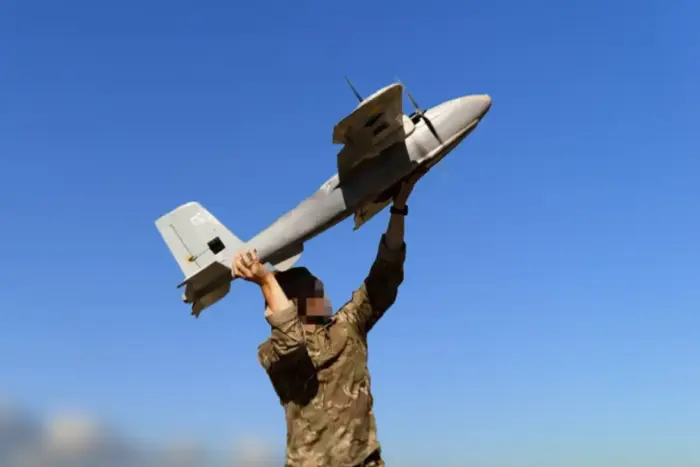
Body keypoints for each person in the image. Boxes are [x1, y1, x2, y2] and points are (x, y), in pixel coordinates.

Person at [232, 174, 421, 467]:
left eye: (320, 290)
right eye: (313, 292)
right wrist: (267, 281)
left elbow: (386, 274)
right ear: (293, 302)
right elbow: (291, 338)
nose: (324, 297)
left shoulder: (347, 326)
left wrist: (398, 207)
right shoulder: (272, 354)